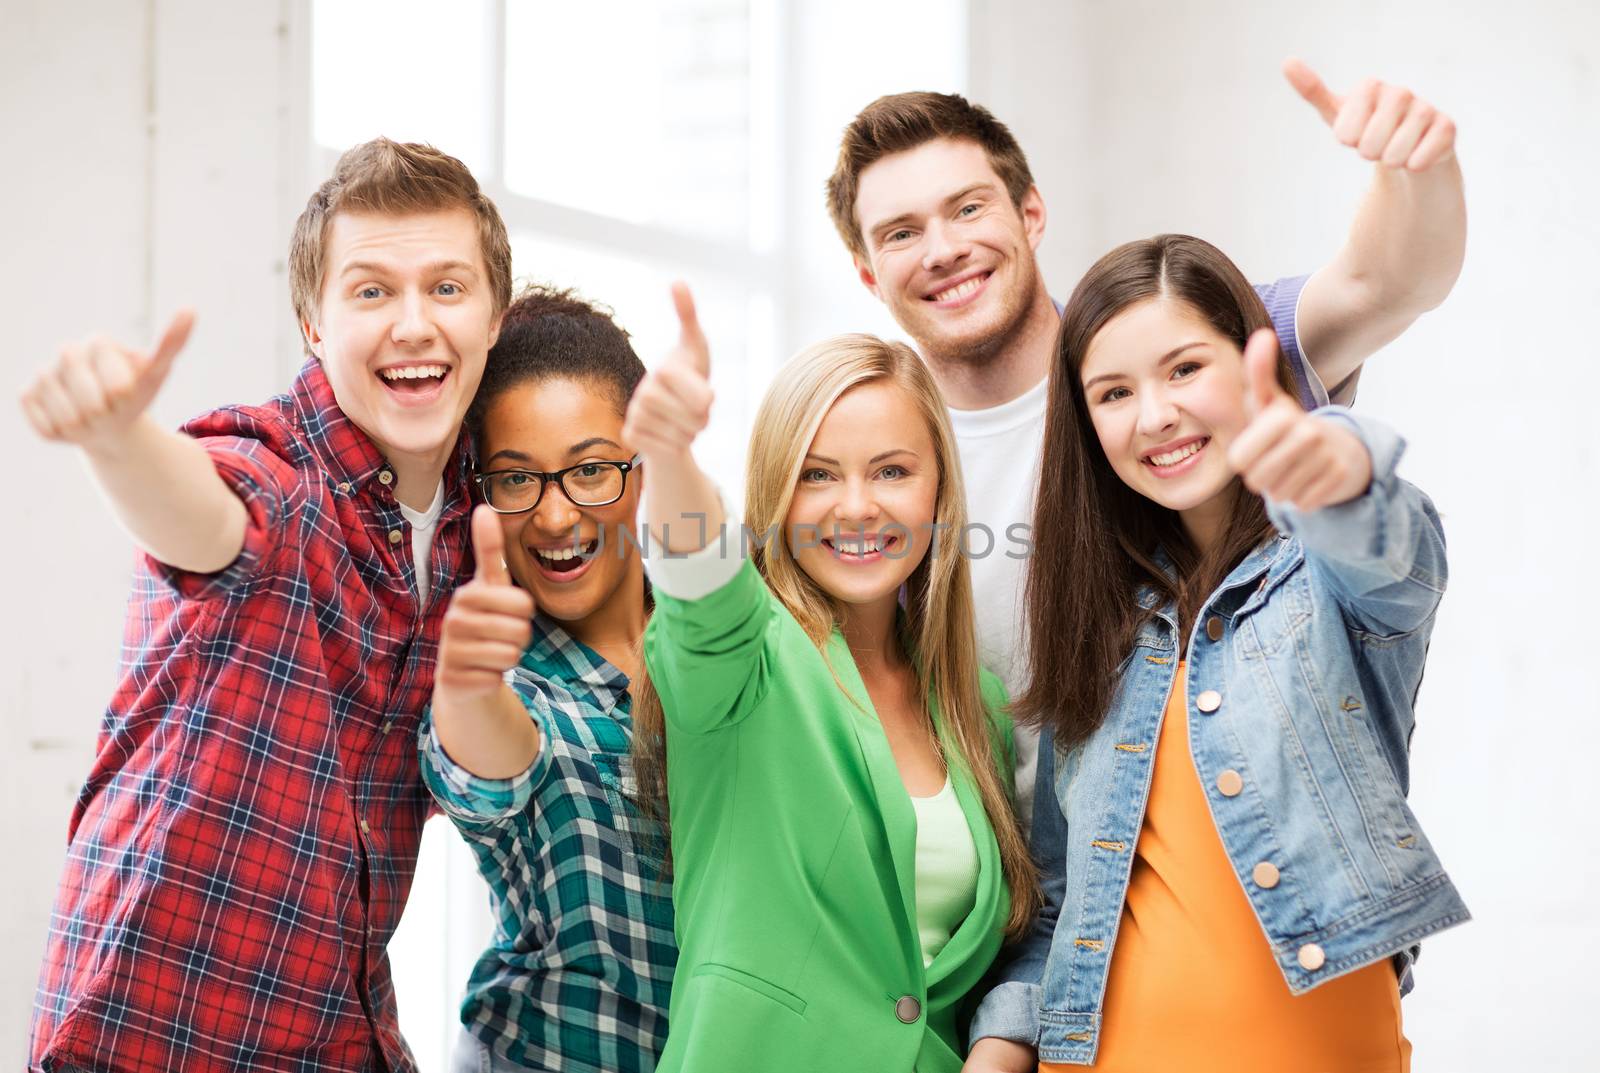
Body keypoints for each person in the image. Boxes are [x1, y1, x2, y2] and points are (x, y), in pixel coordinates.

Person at [825, 62, 1465, 823]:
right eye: (902, 233)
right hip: (1003, 912)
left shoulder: (1188, 367)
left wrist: (1416, 175)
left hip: (1197, 881)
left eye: (967, 209)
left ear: (1031, 214)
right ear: (869, 274)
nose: (941, 250)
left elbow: (1382, 286)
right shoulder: (872, 473)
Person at [20, 139, 510, 1073]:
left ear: (494, 318)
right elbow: (207, 511)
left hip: (337, 1026)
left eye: (447, 287)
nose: (413, 323)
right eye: (371, 291)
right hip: (148, 1034)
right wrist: (118, 439)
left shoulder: (472, 529)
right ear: (313, 325)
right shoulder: (277, 472)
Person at [964, 234, 1466, 1071]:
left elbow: (1395, 551)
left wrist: (1331, 470)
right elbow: (1058, 906)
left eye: (1185, 368)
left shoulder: (1326, 578)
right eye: (1113, 392)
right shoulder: (1098, 626)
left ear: (1250, 364)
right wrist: (998, 1045)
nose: (1155, 414)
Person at [623, 285, 1036, 1072]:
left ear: (939, 489)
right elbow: (701, 588)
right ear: (777, 491)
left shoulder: (975, 703)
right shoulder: (750, 662)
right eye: (817, 475)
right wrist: (670, 456)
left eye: (891, 470)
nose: (856, 507)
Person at [419, 287, 674, 1073]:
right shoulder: (519, 683)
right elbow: (487, 763)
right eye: (517, 479)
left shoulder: (717, 639)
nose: (557, 517)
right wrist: (466, 684)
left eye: (591, 468)